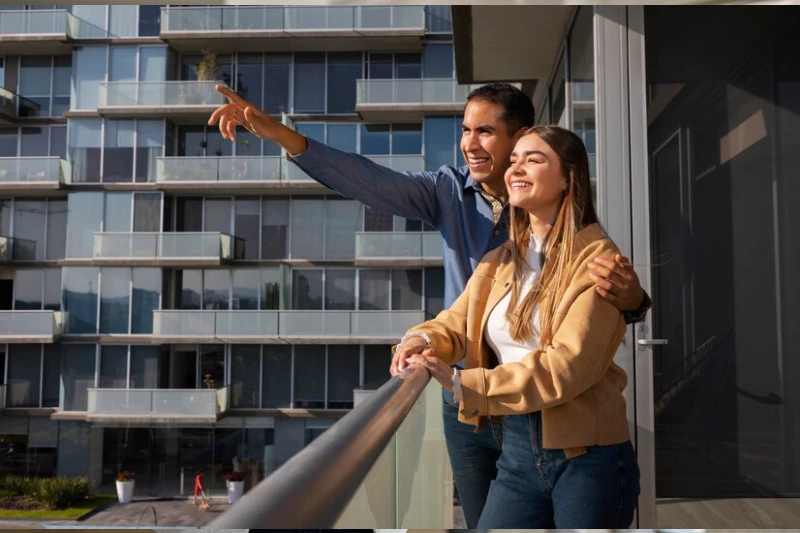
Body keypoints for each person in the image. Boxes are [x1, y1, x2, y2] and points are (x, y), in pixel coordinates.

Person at [209, 83, 649, 528]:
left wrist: (634, 302)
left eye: (486, 132)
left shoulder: (579, 245)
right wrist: (422, 338)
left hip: (562, 427)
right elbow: (371, 185)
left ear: (524, 140)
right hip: (475, 408)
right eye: (465, 130)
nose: (469, 144)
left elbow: (579, 332)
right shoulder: (462, 206)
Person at [393, 125, 640, 528]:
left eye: (534, 159)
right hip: (518, 449)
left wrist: (464, 385)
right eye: (514, 160)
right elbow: (457, 322)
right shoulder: (503, 258)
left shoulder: (598, 262)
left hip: (588, 457)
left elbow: (566, 367)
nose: (515, 168)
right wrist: (422, 339)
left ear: (567, 178)